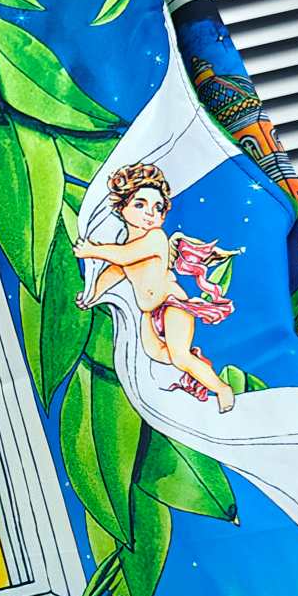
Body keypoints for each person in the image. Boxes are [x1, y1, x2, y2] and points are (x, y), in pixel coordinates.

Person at [75, 160, 241, 411]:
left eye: (158, 207)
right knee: (160, 355)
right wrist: (92, 296)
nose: (150, 213)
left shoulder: (155, 238)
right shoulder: (126, 243)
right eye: (140, 204)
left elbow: (123, 256)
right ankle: (194, 376)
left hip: (173, 305)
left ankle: (222, 389)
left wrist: (92, 250)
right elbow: (116, 271)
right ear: (122, 207)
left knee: (179, 356)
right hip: (149, 314)